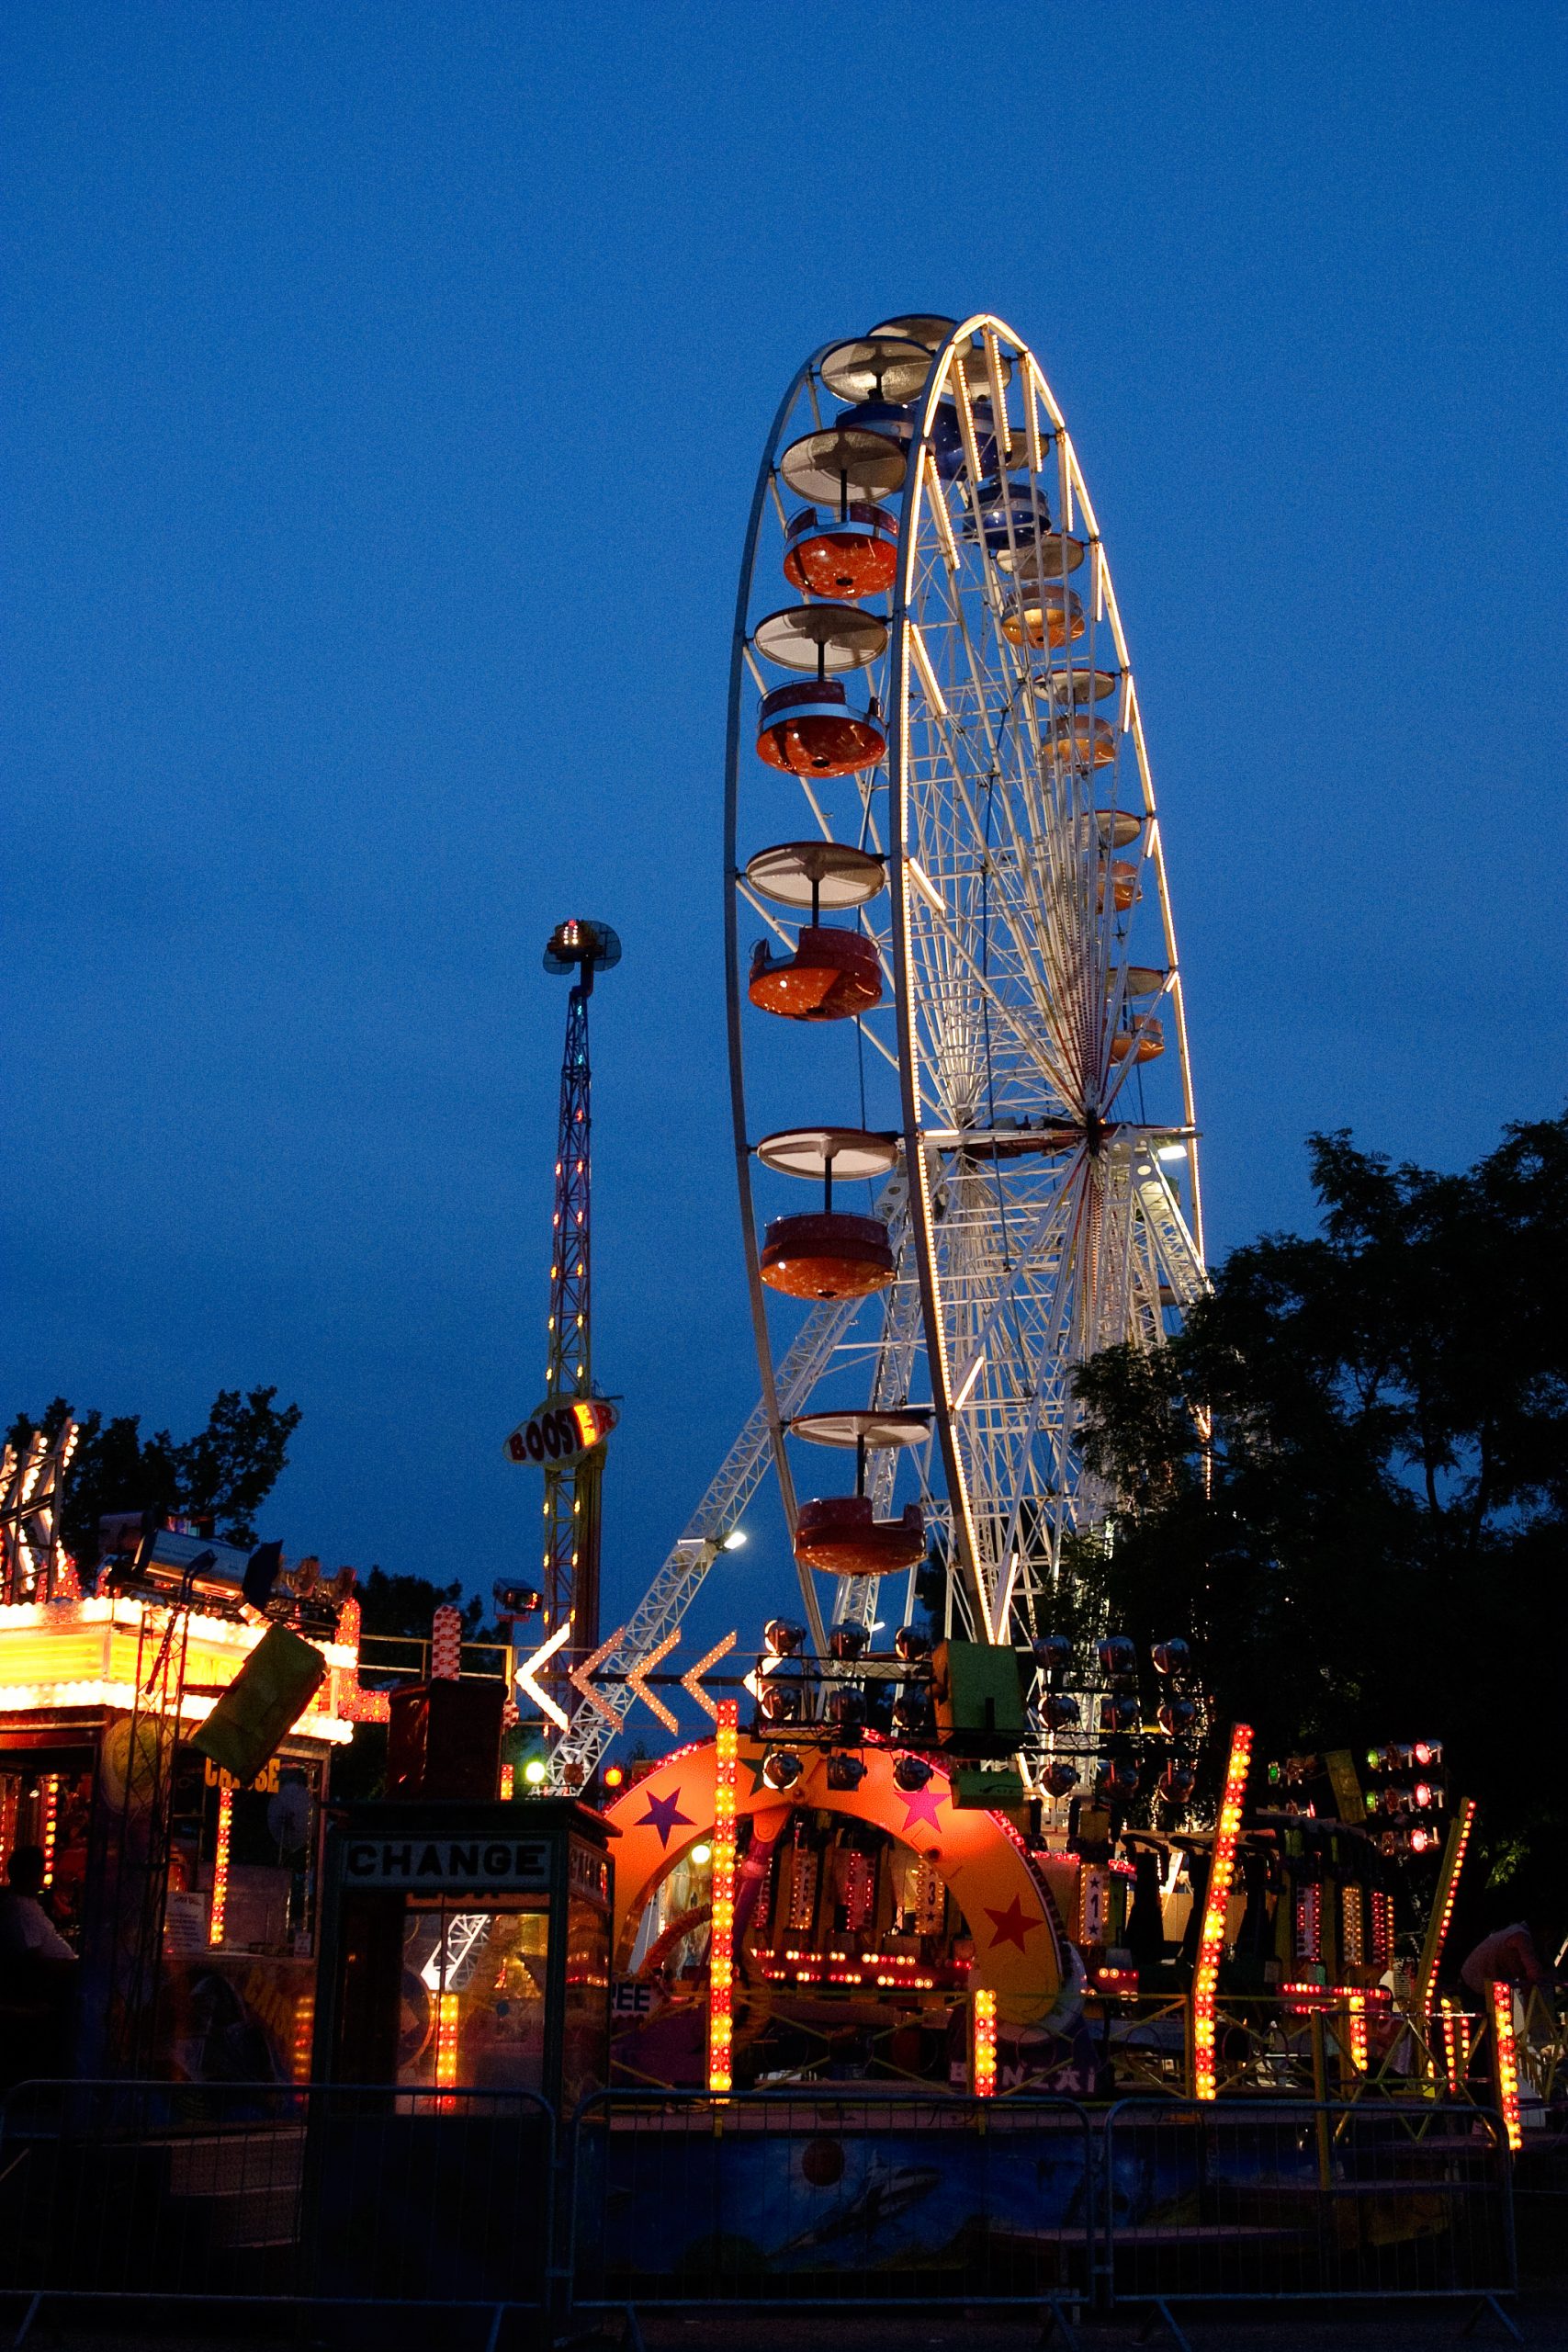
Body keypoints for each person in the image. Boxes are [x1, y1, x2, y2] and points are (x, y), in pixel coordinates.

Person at [0, 1846, 75, 1964]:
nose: (43, 1877)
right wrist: (71, 1966)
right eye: (41, 1872)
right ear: (29, 1874)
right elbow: (34, 1961)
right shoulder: (23, 1911)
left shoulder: (28, 1904)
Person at [1460, 1919, 1549, 2002]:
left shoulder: (1515, 1931)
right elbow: (1534, 1971)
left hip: (1478, 1979)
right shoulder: (1521, 1937)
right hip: (1476, 1982)